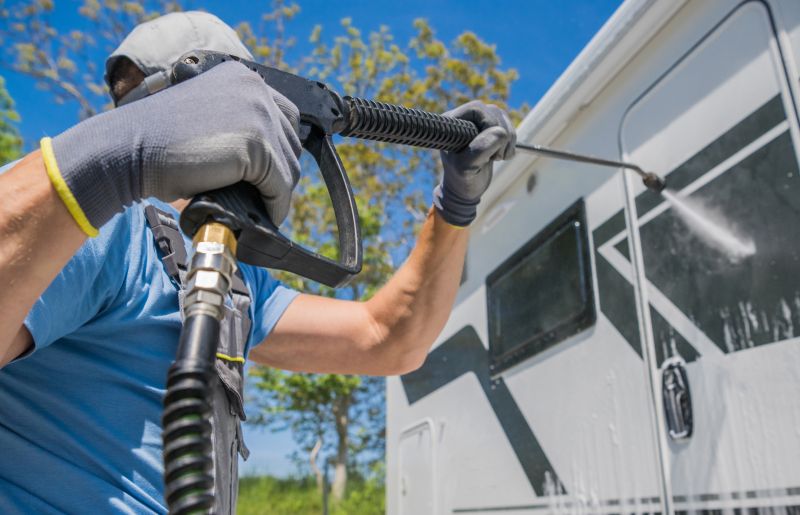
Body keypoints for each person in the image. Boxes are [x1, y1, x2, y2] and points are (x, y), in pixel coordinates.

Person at [0, 11, 515, 514]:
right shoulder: (94, 225)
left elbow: (388, 339)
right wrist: (112, 161)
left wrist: (455, 206)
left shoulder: (236, 280)